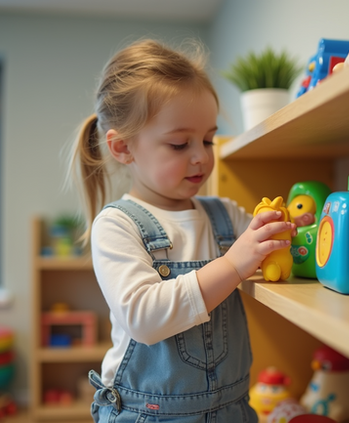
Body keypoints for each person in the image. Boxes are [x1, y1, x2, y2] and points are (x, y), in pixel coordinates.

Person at [68, 38, 295, 422]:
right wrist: (234, 266)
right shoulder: (118, 225)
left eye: (208, 139)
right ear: (123, 148)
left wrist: (289, 228)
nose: (202, 156)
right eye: (179, 144)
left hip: (231, 409)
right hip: (149, 413)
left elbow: (267, 245)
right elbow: (143, 317)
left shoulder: (224, 214)